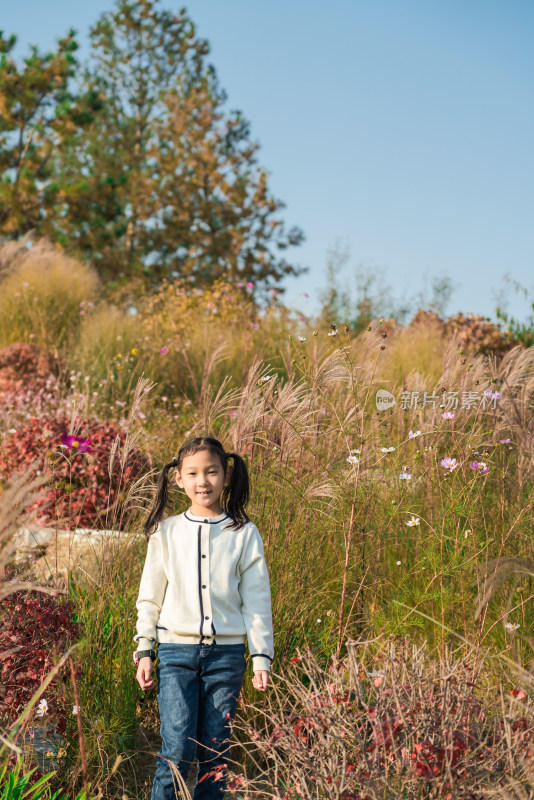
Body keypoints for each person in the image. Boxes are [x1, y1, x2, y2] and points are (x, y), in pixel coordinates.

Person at [133, 436, 274, 800]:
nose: (203, 482)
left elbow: (256, 600)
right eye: (193, 473)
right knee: (177, 750)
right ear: (178, 478)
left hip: (226, 658)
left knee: (215, 752)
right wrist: (144, 649)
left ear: (226, 475)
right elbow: (149, 596)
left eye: (211, 472)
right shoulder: (166, 532)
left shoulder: (244, 533)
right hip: (176, 654)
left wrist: (261, 657)